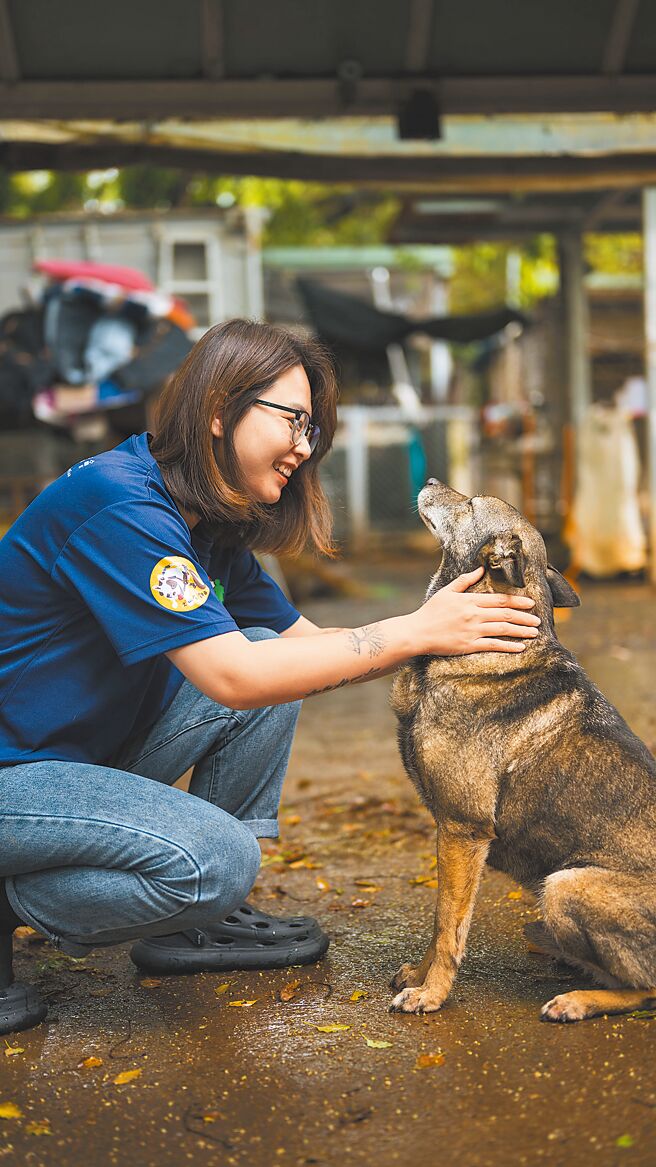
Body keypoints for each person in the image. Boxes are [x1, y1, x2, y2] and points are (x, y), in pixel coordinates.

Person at [0, 320, 540, 1034]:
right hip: (16, 774)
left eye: (313, 430)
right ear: (219, 409)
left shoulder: (209, 527)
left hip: (72, 766)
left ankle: (200, 924)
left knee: (269, 656)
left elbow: (308, 652)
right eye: (292, 419)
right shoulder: (120, 504)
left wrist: (442, 638)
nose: (303, 447)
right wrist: (413, 628)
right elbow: (233, 677)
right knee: (216, 860)